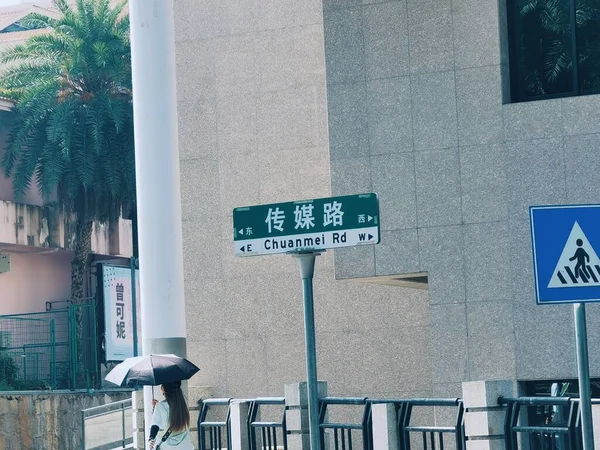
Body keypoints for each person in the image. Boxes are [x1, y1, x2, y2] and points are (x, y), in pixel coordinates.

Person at [148, 381, 193, 449]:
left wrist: (151, 438)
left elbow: (156, 424)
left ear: (164, 390)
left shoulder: (161, 406)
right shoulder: (182, 407)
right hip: (185, 446)